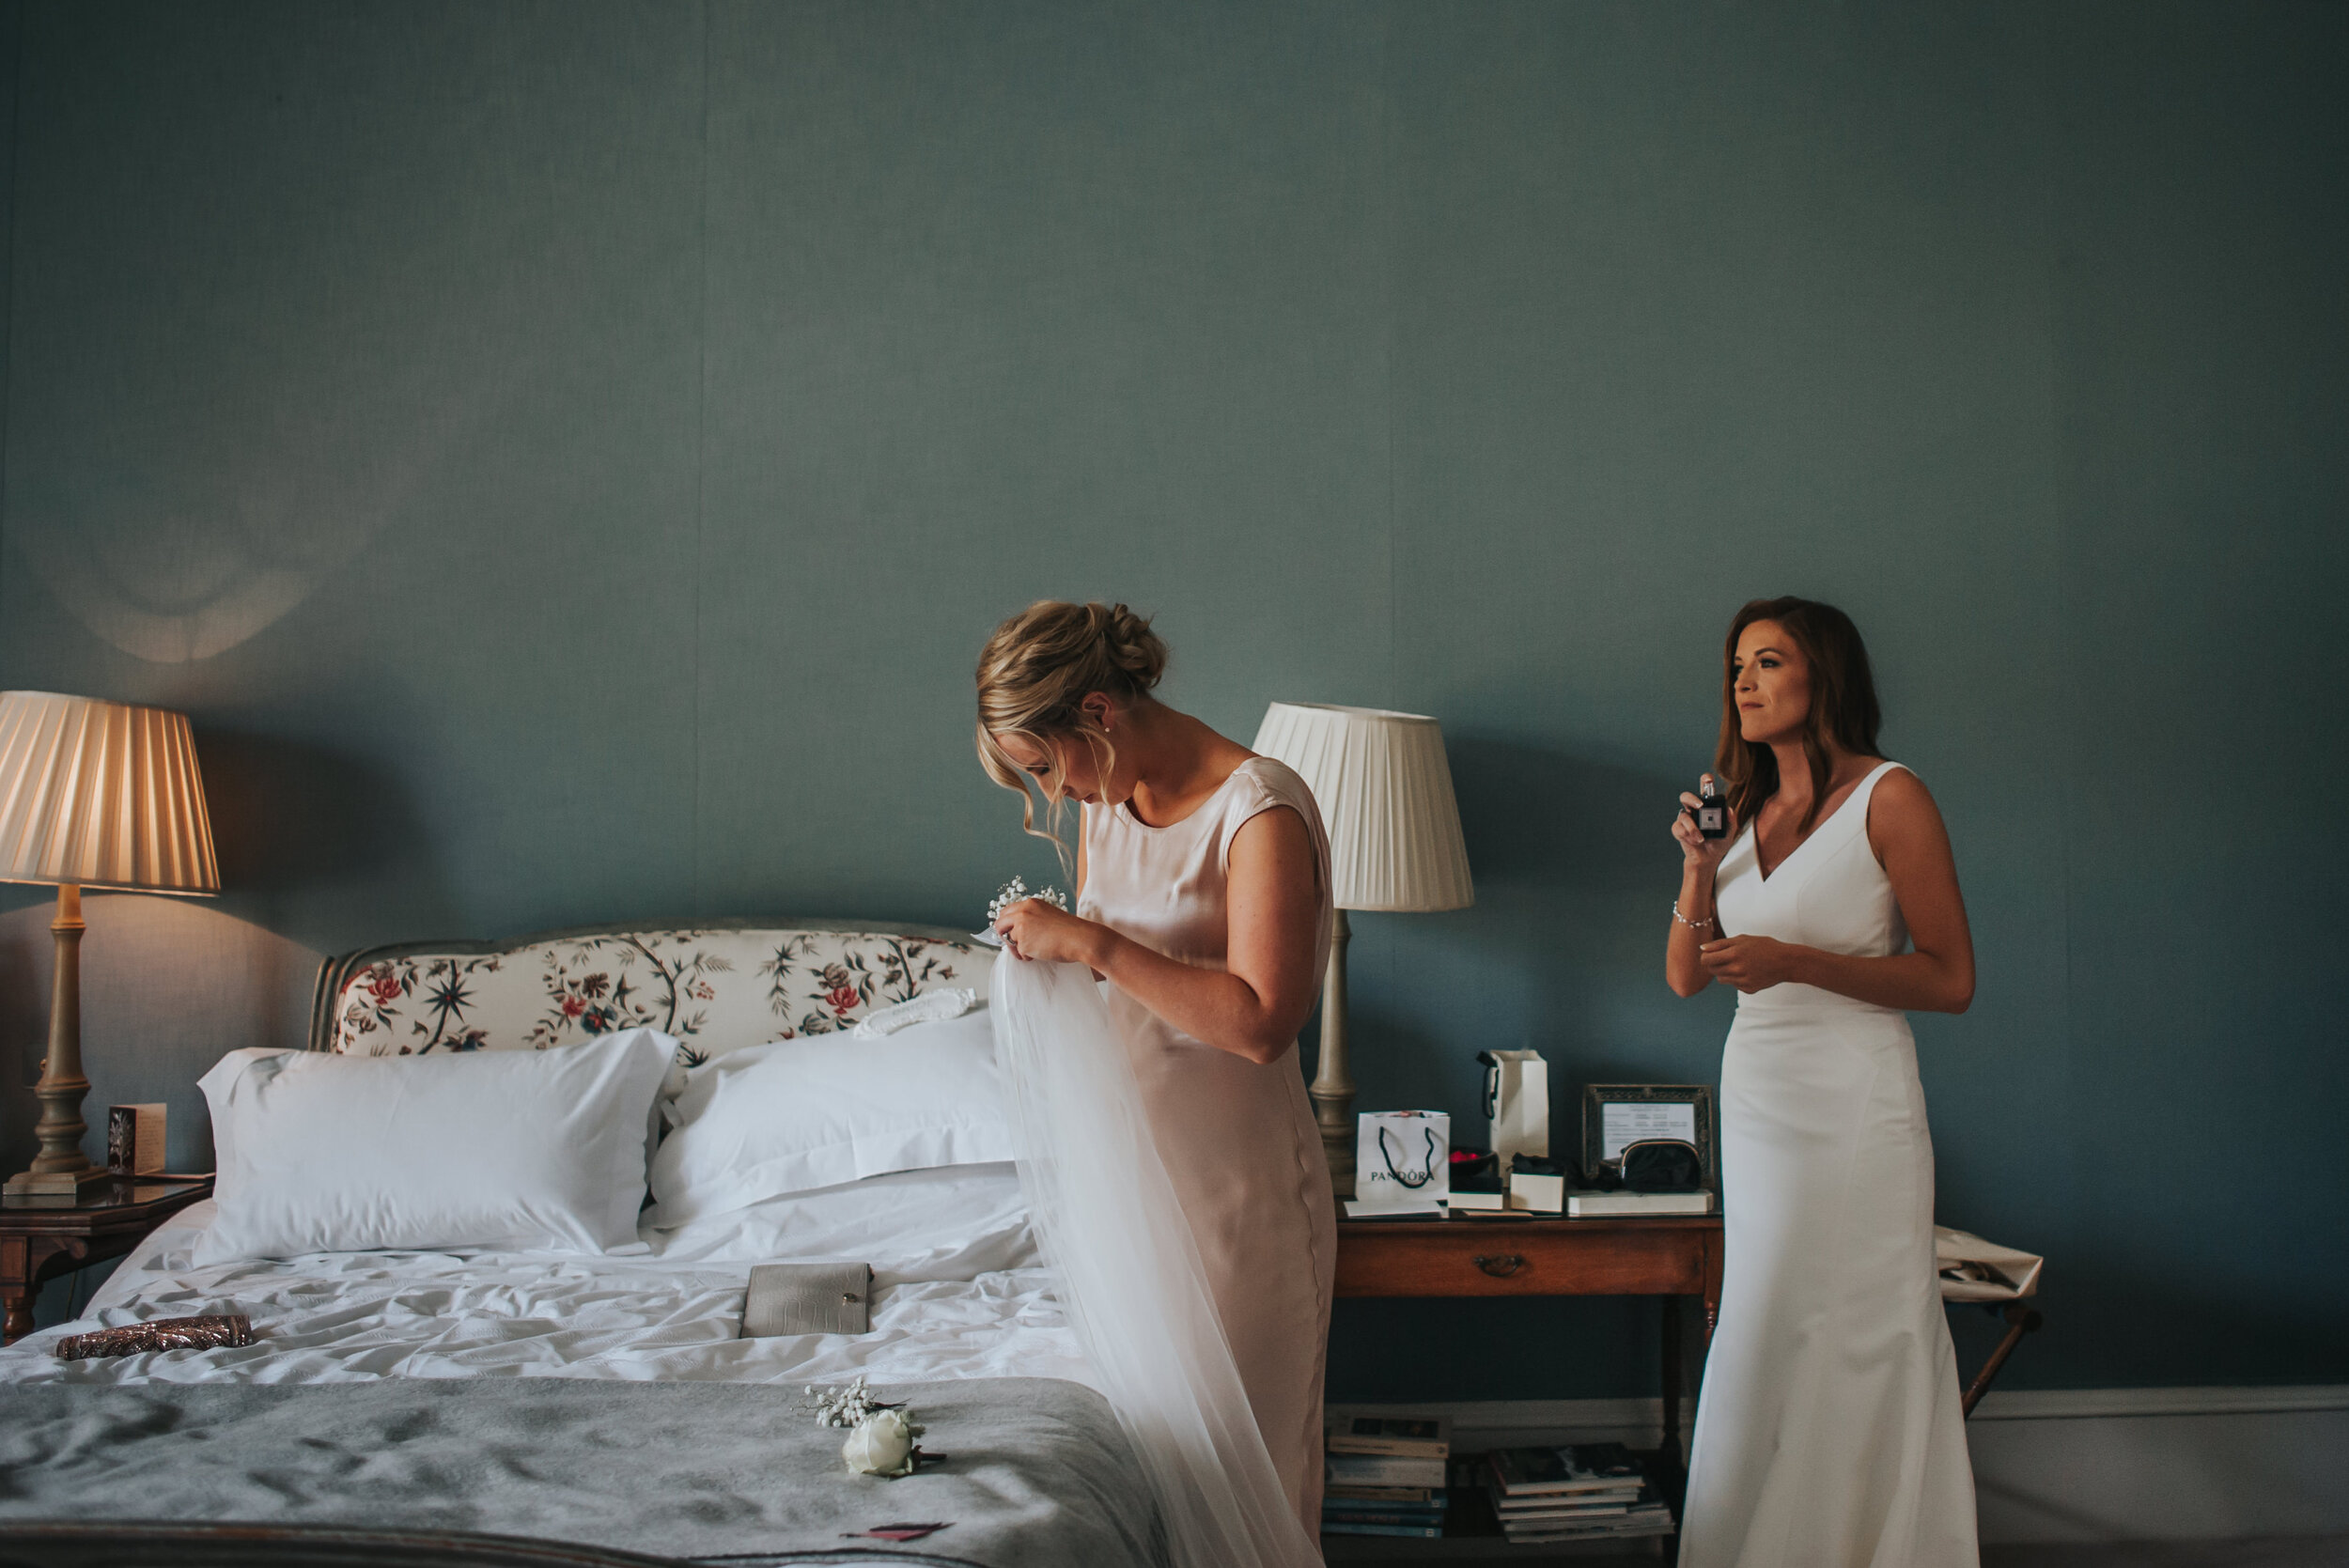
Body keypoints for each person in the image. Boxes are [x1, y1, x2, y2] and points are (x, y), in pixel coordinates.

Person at [974, 599, 1337, 1535]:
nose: (1054, 795)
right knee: (1158, 1490)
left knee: (1250, 1486)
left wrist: (1091, 944)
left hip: (1241, 1203)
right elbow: (1124, 997)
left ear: (1097, 710)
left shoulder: (1259, 808)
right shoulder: (1115, 803)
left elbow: (1262, 1022)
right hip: (1134, 1200)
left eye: (1046, 765)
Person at [1668, 596, 1981, 1568]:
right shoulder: (1743, 811)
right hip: (1759, 1096)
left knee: (1853, 1327)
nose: (1745, 682)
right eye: (1736, 667)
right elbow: (1687, 974)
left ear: (1824, 674)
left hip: (1856, 1102)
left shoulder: (1894, 796)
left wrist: (1796, 961)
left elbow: (1951, 977)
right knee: (1762, 1322)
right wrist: (1697, 868)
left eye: (1768, 661)